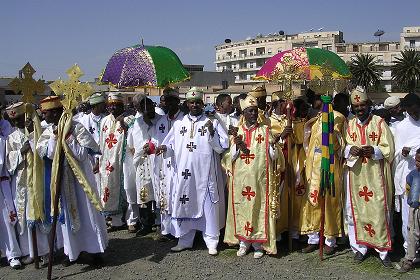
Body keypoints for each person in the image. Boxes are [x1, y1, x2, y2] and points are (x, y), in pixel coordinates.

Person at [36, 96, 108, 266]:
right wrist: (55, 138)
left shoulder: (77, 128)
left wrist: (68, 137)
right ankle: (73, 253)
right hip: (61, 183)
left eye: (45, 113)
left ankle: (95, 251)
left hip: (80, 181)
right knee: (67, 218)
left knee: (87, 214)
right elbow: (49, 154)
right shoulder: (48, 132)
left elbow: (82, 155)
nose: (43, 117)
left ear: (55, 113)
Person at [156, 87, 228, 255]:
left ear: (202, 104)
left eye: (198, 102)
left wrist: (212, 133)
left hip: (206, 173)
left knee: (208, 206)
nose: (194, 105)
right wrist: (164, 147)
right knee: (185, 203)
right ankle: (184, 240)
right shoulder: (179, 124)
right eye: (191, 102)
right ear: (187, 104)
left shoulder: (213, 122)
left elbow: (222, 147)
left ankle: (211, 241)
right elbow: (171, 146)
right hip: (185, 174)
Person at [224, 95, 284, 258]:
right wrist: (237, 145)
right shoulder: (237, 132)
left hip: (260, 180)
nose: (253, 114)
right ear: (243, 113)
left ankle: (258, 244)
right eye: (250, 111)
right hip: (241, 181)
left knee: (259, 207)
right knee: (242, 208)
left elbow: (274, 156)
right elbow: (230, 157)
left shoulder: (265, 131)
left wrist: (273, 147)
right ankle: (244, 243)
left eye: (255, 111)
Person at [344, 87, 394, 267]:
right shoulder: (349, 125)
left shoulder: (379, 122)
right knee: (354, 211)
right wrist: (350, 150)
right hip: (355, 175)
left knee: (379, 210)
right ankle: (359, 248)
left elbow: (389, 148)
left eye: (362, 105)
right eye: (356, 106)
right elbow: (343, 147)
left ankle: (382, 250)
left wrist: (376, 150)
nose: (359, 109)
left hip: (376, 176)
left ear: (369, 104)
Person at [300, 96, 346, 255]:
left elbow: (339, 141)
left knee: (329, 200)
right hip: (314, 164)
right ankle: (313, 238)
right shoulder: (316, 118)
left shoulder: (338, 117)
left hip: (330, 163)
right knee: (313, 199)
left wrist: (330, 128)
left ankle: (330, 239)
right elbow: (309, 140)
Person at [5, 102, 49, 266]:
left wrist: (32, 138)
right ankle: (29, 251)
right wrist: (20, 152)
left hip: (37, 178)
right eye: (14, 122)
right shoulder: (11, 138)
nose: (17, 124)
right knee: (23, 216)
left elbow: (46, 151)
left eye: (20, 120)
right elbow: (8, 161)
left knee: (38, 212)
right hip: (20, 182)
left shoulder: (39, 132)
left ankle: (44, 251)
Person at [149, 89, 183, 236]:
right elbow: (155, 140)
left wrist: (168, 148)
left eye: (172, 101)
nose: (169, 104)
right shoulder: (161, 121)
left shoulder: (184, 120)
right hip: (164, 164)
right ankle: (166, 229)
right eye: (167, 101)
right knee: (165, 195)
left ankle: (180, 230)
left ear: (178, 102)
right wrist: (150, 146)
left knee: (177, 195)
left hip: (179, 164)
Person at [98, 92, 133, 231]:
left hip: (122, 159)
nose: (113, 108)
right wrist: (98, 160)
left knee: (123, 188)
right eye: (110, 106)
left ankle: (122, 219)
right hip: (106, 160)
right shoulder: (104, 120)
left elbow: (132, 137)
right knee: (107, 187)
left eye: (116, 105)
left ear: (122, 105)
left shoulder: (129, 119)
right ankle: (110, 217)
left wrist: (123, 123)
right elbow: (101, 141)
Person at [392, 93, 420, 253]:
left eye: (417, 111)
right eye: (411, 112)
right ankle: (410, 251)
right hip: (408, 175)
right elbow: (395, 152)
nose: (414, 115)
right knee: (408, 216)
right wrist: (404, 153)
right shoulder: (401, 127)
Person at [128, 94, 157, 236]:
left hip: (157, 161)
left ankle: (160, 222)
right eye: (143, 107)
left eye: (149, 105)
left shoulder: (160, 120)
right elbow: (131, 144)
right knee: (144, 194)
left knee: (159, 191)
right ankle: (146, 223)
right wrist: (138, 153)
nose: (147, 109)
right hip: (142, 162)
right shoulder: (136, 122)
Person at [0, 106, 22, 269]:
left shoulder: (5, 133)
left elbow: (8, 159)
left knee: (8, 219)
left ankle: (13, 254)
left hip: (3, 183)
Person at [399, 148, 420, 273]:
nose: (418, 163)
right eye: (417, 160)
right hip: (415, 208)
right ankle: (409, 259)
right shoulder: (412, 175)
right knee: (412, 234)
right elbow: (408, 188)